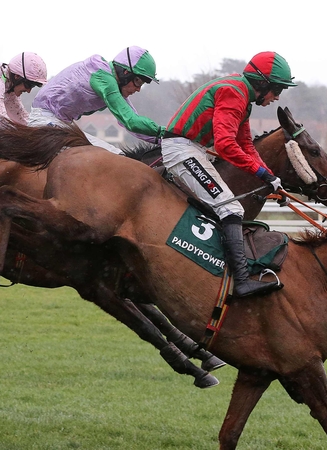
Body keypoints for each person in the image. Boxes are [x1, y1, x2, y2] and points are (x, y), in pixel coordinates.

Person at [161, 51, 297, 297]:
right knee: (232, 209)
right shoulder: (234, 92)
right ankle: (242, 282)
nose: (277, 97)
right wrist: (262, 174)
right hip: (182, 150)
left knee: (227, 207)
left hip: (193, 148)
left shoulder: (241, 94)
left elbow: (245, 144)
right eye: (277, 89)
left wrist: (270, 177)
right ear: (262, 83)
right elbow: (225, 145)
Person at [28, 46, 165, 154]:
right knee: (114, 157)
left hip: (60, 123)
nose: (138, 89)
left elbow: (132, 122)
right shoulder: (103, 78)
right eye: (137, 82)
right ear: (125, 73)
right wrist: (168, 132)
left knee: (113, 156)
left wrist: (162, 140)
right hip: (44, 121)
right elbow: (131, 122)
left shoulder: (111, 82)